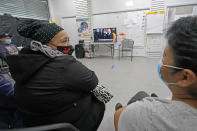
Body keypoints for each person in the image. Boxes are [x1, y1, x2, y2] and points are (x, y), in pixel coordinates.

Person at [7, 20, 108, 131]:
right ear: (44, 45)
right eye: (64, 41)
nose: (69, 45)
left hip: (32, 122)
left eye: (68, 40)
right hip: (63, 124)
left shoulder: (25, 59)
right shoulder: (64, 63)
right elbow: (92, 80)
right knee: (100, 93)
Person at [114, 16, 197, 131]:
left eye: (164, 56)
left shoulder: (147, 114)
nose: (161, 61)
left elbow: (118, 117)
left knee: (135, 101)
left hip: (131, 114)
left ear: (185, 77)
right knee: (142, 94)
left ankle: (122, 106)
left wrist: (129, 110)